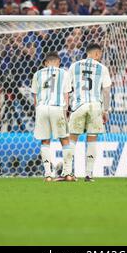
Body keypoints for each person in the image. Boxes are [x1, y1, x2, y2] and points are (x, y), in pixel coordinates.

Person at [68, 43, 111, 182]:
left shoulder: (74, 66)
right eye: (101, 55)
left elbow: (67, 89)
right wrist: (106, 110)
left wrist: (67, 109)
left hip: (78, 105)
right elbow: (106, 91)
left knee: (72, 139)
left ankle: (68, 172)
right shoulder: (102, 68)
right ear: (97, 54)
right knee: (92, 139)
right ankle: (89, 174)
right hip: (95, 106)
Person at [31, 52, 74, 182]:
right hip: (57, 107)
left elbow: (35, 97)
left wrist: (38, 111)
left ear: (45, 63)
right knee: (65, 140)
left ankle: (48, 175)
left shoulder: (37, 74)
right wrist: (66, 112)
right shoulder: (64, 73)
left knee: (45, 141)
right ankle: (67, 173)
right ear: (58, 62)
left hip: (42, 108)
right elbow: (66, 95)